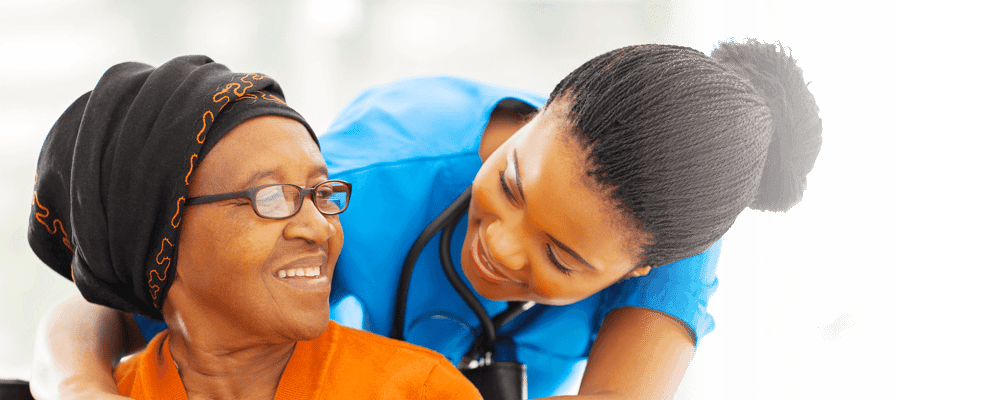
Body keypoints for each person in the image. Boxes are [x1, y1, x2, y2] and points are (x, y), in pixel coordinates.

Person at [32, 40, 822, 400]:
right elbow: (118, 284)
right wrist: (77, 386)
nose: (499, 246)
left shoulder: (667, 239)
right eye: (509, 183)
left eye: (561, 256)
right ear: (544, 110)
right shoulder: (369, 177)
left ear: (638, 267)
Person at [27, 55, 482, 400]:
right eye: (272, 197)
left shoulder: (416, 389)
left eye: (321, 192)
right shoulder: (118, 390)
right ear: (159, 239)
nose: (320, 228)